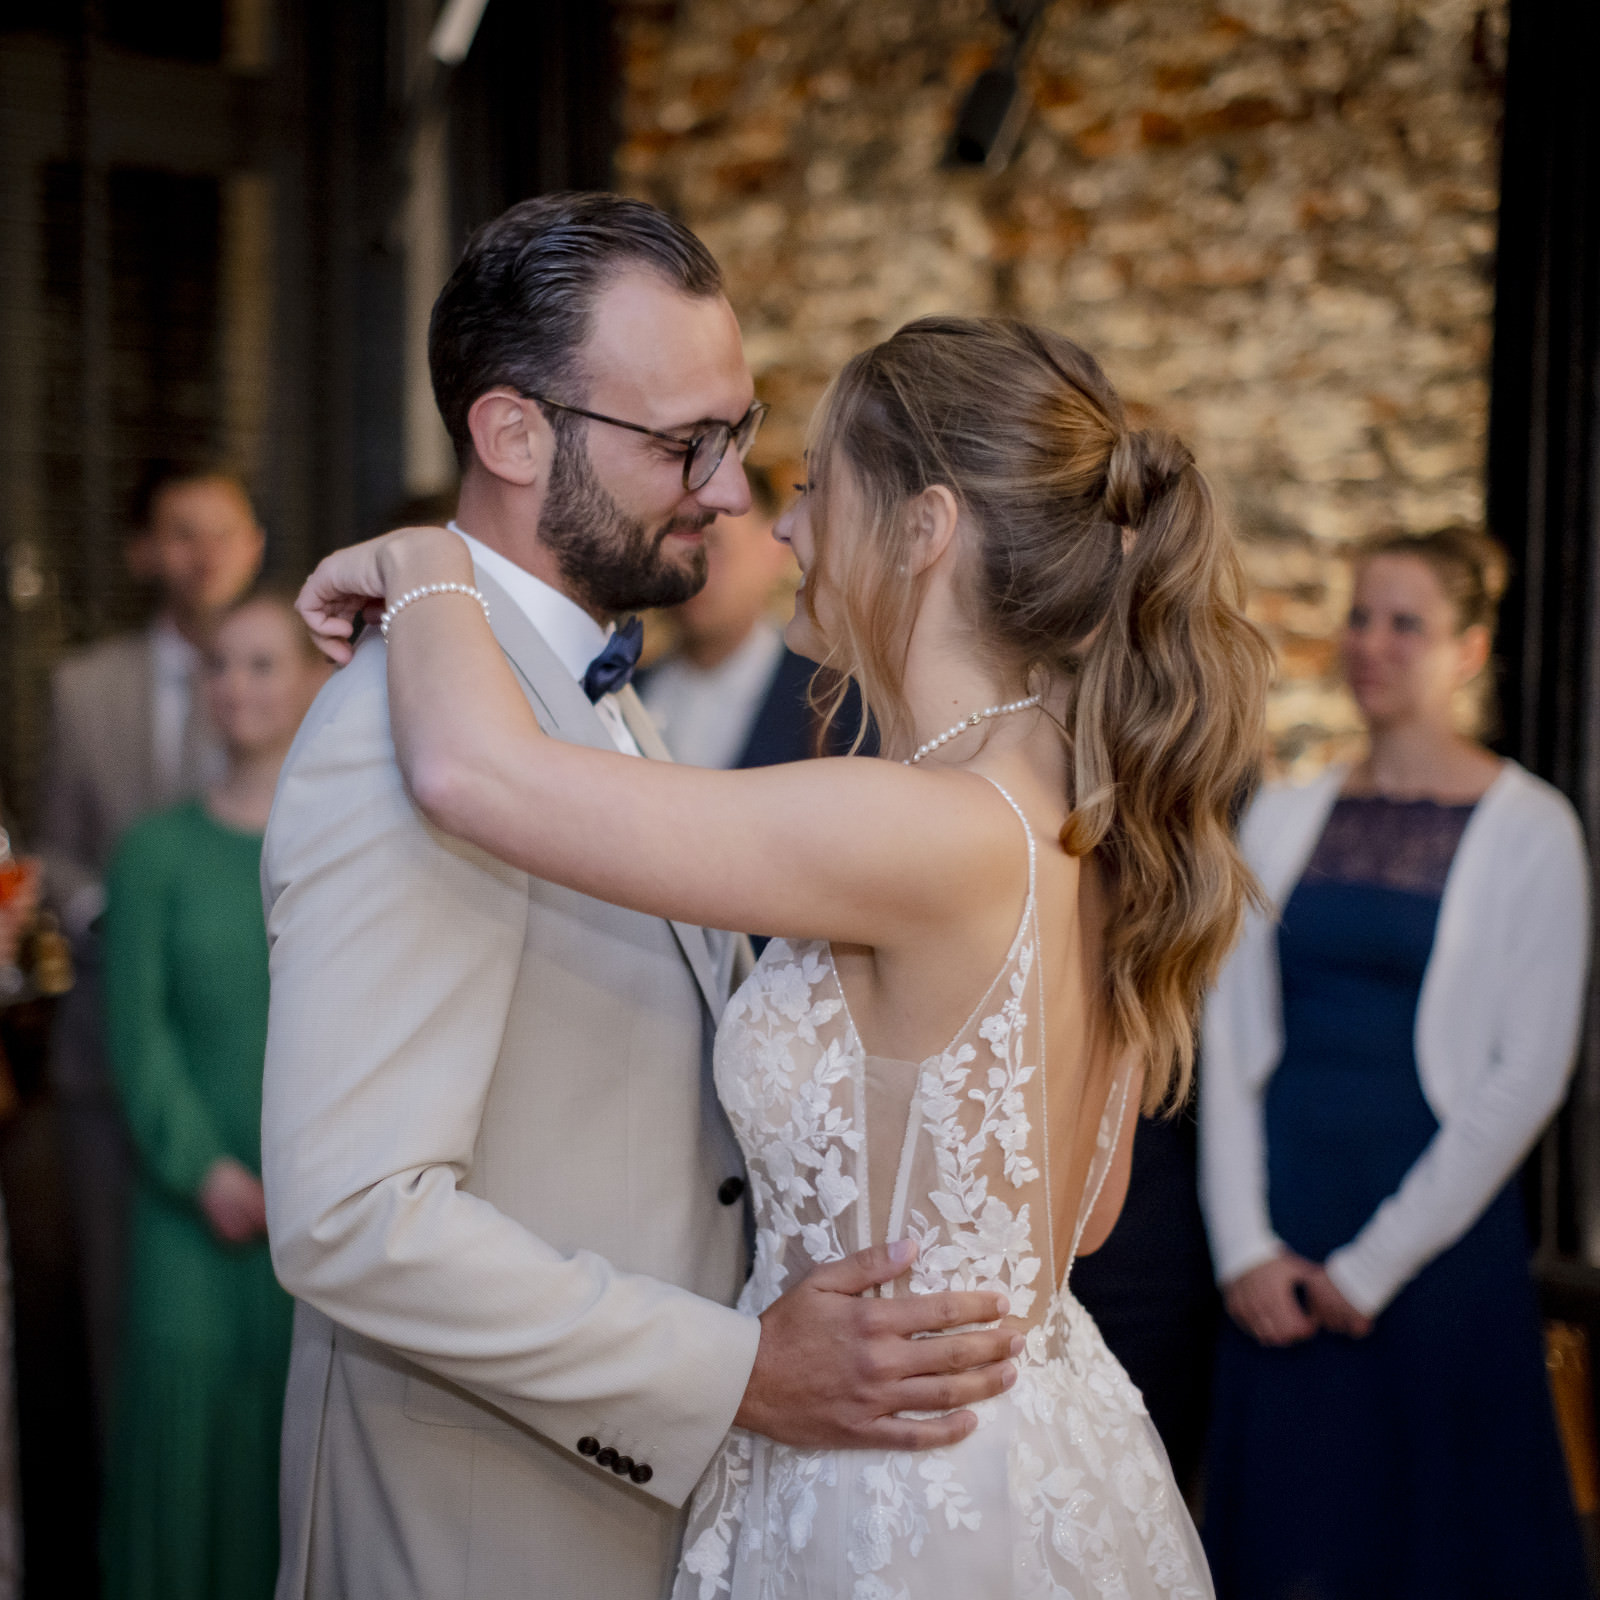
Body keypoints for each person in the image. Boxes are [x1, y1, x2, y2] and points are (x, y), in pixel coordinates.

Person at [298, 308, 1273, 1597]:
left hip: (893, 1490)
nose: (782, 526)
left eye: (814, 485)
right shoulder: (1083, 813)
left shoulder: (918, 822)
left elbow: (474, 772)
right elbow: (1076, 1213)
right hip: (1026, 1445)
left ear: (923, 528)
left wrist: (432, 559)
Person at [260, 195, 1022, 1600]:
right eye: (686, 445)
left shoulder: (605, 701)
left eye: (734, 435)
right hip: (476, 1527)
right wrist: (739, 1370)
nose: (733, 494)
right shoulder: (397, 735)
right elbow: (352, 1216)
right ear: (512, 434)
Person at [1199, 528, 1591, 1599]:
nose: (1370, 643)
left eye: (1404, 622)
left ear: (1467, 650)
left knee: (1438, 1548)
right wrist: (1241, 1247)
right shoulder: (1282, 813)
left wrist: (1373, 1265)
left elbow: (1525, 1076)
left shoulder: (1533, 829)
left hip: (1431, 1247)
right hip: (1280, 1237)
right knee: (1288, 1541)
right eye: (1360, 615)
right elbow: (1224, 1031)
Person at [99, 589, 327, 1600]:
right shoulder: (153, 853)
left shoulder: (344, 846)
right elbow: (136, 1042)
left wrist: (313, 1174)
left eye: (261, 662)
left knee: (295, 1457)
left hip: (322, 1213)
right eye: (217, 665)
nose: (235, 684)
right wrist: (209, 1170)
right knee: (185, 1449)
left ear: (313, 680)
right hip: (192, 1213)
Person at [36, 462, 265, 1428]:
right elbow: (52, 845)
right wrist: (116, 913)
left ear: (255, 545)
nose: (205, 551)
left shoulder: (301, 679)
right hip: (107, 1060)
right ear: (144, 552)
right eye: (180, 530)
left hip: (245, 1065)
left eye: (225, 529)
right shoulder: (84, 690)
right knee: (121, 1335)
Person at [639, 464, 841, 769]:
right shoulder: (627, 688)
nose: (688, 569)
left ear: (773, 550)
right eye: (676, 542)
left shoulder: (832, 704)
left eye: (711, 545)